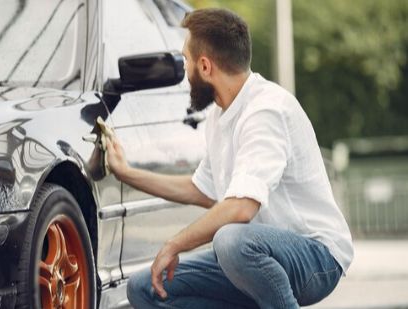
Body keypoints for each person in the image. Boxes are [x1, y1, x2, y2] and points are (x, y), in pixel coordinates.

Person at [105, 8, 353, 309]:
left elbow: (240, 208)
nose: (184, 73)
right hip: (254, 258)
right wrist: (126, 172)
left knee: (231, 241)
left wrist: (174, 244)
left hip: (316, 255)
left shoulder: (266, 110)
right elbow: (200, 190)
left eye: (186, 61)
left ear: (206, 66)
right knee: (145, 288)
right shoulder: (219, 116)